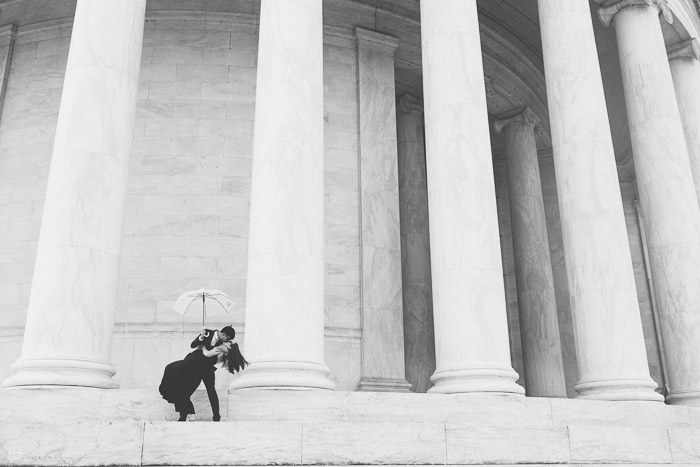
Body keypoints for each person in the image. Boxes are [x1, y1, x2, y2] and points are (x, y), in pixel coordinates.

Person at [159, 325, 248, 421]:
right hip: (195, 362)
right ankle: (184, 415)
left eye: (229, 341)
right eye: (227, 339)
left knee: (209, 390)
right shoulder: (207, 333)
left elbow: (207, 353)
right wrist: (200, 337)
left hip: (203, 366)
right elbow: (193, 345)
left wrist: (203, 347)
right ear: (223, 333)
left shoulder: (223, 347)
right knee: (183, 387)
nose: (226, 341)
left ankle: (214, 416)